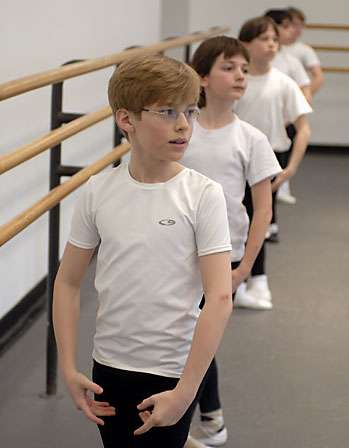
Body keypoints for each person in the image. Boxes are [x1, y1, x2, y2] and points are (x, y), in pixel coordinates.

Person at [52, 54, 234, 448]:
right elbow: (67, 281)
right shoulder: (98, 191)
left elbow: (219, 298)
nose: (184, 124)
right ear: (126, 120)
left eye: (190, 111)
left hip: (172, 369)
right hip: (110, 366)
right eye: (167, 112)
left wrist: (186, 393)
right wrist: (68, 367)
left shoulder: (203, 194)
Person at [181, 36, 281, 447]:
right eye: (228, 67)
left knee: (195, 336)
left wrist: (245, 268)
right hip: (175, 251)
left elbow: (263, 210)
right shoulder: (181, 129)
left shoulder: (251, 139)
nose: (240, 75)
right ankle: (211, 418)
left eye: (243, 68)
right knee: (186, 335)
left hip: (223, 257)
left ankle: (206, 420)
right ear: (202, 77)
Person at [234, 16, 312, 308]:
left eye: (274, 40)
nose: (270, 45)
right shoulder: (236, 82)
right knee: (235, 219)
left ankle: (257, 279)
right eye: (264, 39)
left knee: (259, 219)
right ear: (245, 44)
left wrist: (290, 168)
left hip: (271, 160)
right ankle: (239, 279)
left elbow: (303, 129)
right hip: (235, 157)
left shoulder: (284, 83)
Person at [264, 8, 312, 212]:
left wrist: (293, 113)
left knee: (273, 176)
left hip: (282, 127)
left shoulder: (290, 62)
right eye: (286, 26)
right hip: (257, 129)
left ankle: (270, 221)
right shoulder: (246, 65)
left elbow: (306, 90)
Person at [286, 6, 324, 96]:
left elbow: (319, 77)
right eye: (294, 24)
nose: (298, 29)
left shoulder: (305, 50)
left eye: (301, 25)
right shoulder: (272, 48)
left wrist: (303, 96)